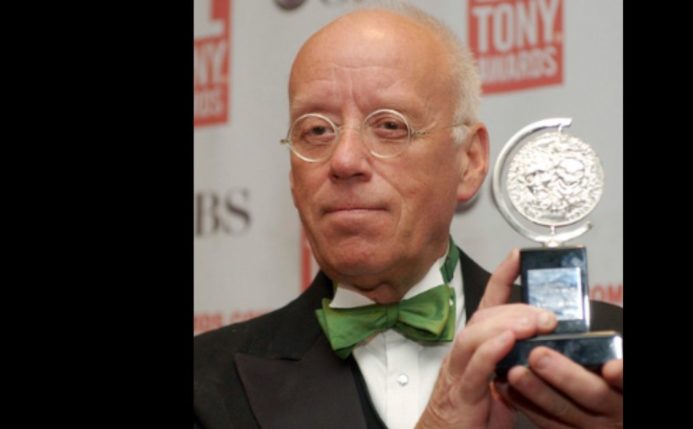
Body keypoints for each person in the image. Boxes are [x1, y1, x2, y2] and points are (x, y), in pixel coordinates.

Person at [194, 3, 623, 428]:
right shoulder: (206, 382)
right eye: (317, 130)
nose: (344, 160)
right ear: (292, 173)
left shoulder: (604, 352)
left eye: (390, 126)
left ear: (469, 160)